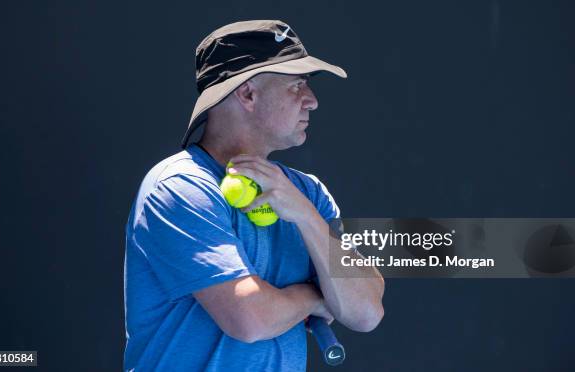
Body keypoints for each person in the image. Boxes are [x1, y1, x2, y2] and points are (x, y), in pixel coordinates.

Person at [124, 20, 385, 371]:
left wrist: (305, 215)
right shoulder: (179, 187)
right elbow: (250, 320)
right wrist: (313, 297)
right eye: (296, 85)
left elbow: (366, 312)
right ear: (247, 94)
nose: (312, 101)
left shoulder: (308, 193)